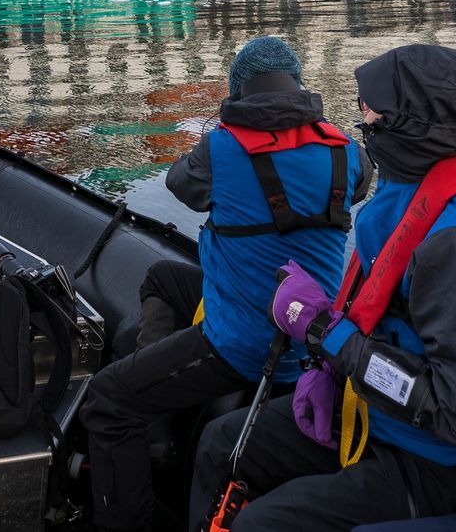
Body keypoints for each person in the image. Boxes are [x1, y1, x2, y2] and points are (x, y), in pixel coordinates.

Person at [188, 44, 456, 531]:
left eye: (368, 109)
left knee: (263, 525)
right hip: (391, 421)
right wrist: (331, 368)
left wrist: (327, 333)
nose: (361, 121)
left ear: (403, 123)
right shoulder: (414, 185)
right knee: (224, 443)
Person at [80, 37, 359, 532]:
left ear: (238, 88)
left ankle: (134, 495)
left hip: (246, 340)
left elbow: (180, 186)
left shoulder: (222, 147)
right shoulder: (344, 150)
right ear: (298, 82)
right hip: (314, 336)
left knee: (109, 400)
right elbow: (360, 187)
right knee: (165, 277)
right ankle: (162, 427)